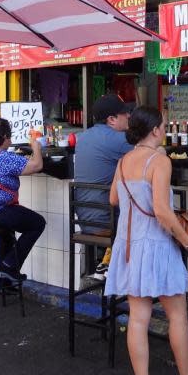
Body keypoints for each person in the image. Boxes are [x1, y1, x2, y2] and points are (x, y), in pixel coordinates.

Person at [105, 106, 188, 375]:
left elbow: (113, 199)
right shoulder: (159, 160)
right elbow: (161, 210)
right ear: (154, 129)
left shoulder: (123, 161)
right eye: (164, 125)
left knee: (138, 318)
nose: (165, 129)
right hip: (156, 246)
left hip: (129, 247)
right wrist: (186, 241)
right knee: (177, 315)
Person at [73, 94, 133, 280]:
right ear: (112, 119)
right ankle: (137, 281)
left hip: (85, 219)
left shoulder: (82, 137)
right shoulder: (117, 139)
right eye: (125, 114)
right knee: (149, 218)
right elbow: (150, 155)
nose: (129, 117)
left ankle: (107, 263)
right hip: (106, 222)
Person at [0, 118, 45, 284]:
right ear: (5, 136)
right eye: (10, 137)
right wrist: (36, 146)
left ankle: (5, 281)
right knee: (37, 223)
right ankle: (8, 266)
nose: (11, 140)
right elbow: (36, 165)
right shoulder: (3, 158)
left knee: (7, 233)